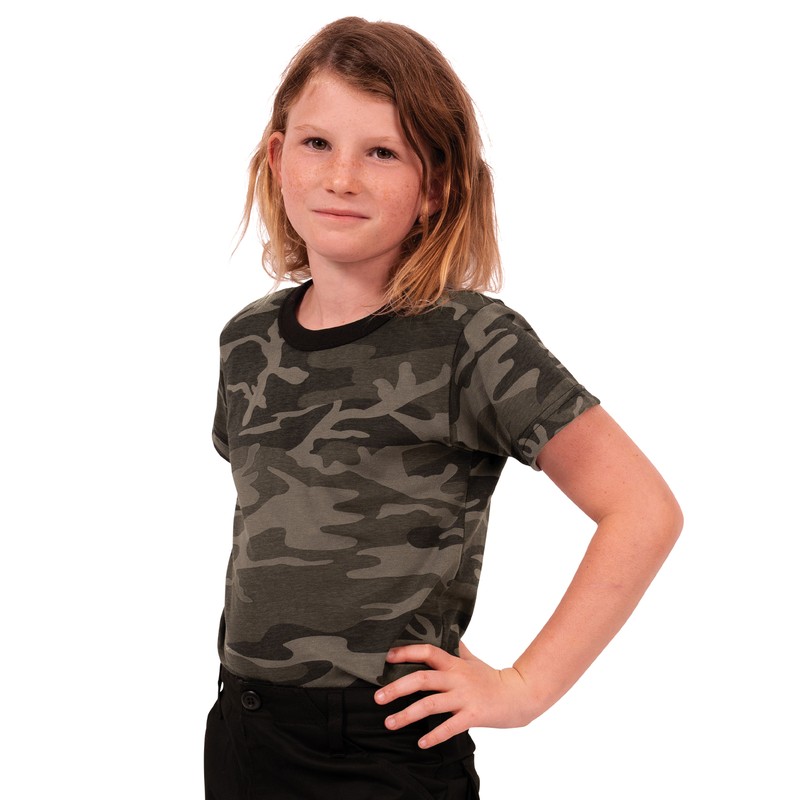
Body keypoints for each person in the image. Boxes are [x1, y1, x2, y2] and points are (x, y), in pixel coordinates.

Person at [204, 16, 682, 800]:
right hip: (245, 730)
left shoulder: (470, 340)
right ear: (278, 157)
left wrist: (525, 687)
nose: (342, 177)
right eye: (318, 143)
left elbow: (643, 509)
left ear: (438, 186)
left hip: (386, 743)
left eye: (382, 152)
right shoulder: (247, 342)